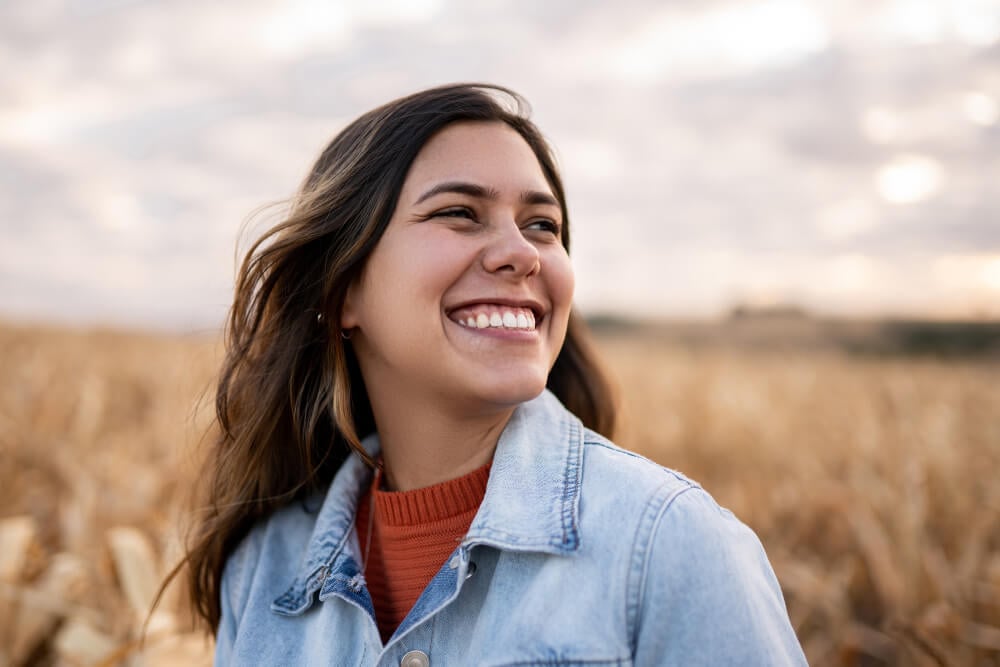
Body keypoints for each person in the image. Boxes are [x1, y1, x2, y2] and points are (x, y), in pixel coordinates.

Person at [185, 83, 807, 665]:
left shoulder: (672, 545)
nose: (521, 252)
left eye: (542, 225)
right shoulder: (263, 566)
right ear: (344, 289)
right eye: (459, 212)